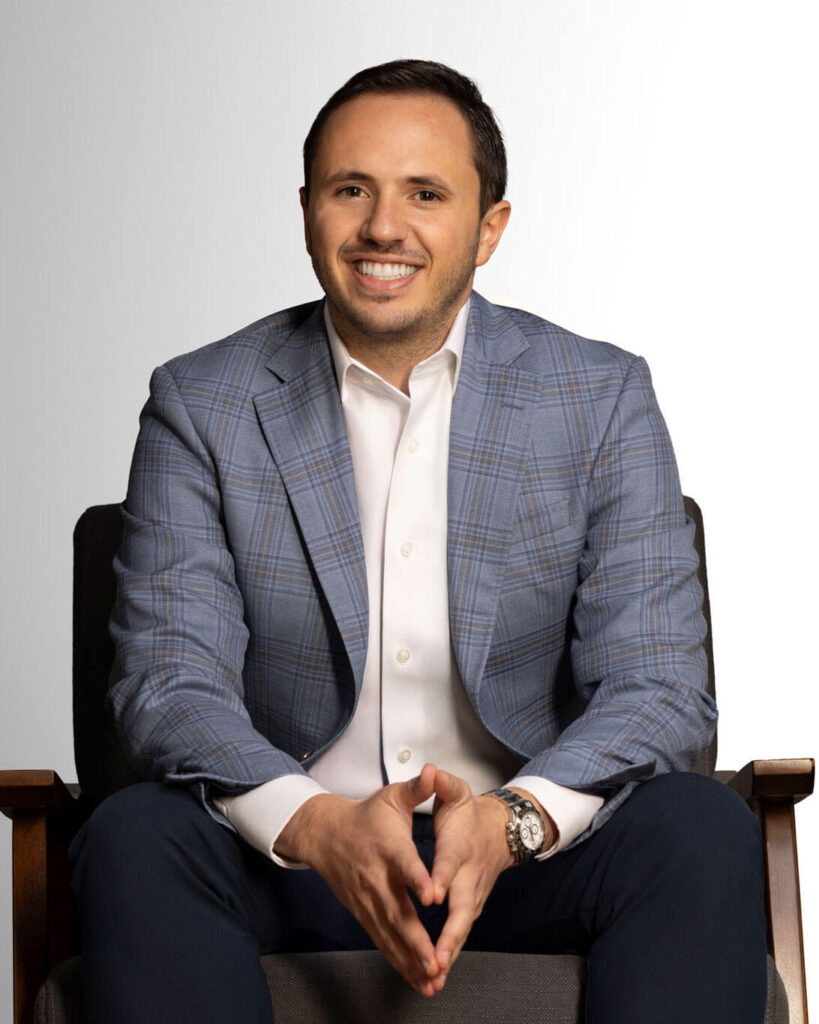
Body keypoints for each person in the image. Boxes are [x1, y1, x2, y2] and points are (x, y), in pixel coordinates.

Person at [69, 59, 767, 1023]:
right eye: (350, 189)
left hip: (523, 858)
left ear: (489, 228)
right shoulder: (202, 403)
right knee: (135, 835)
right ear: (307, 210)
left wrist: (512, 823)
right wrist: (318, 825)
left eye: (425, 194)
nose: (382, 227)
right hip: (293, 858)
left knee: (700, 826)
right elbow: (168, 684)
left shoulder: (598, 396)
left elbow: (657, 689)